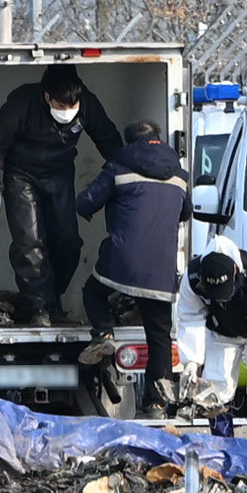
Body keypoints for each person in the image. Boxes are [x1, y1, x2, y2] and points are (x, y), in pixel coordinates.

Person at [0, 65, 123, 326]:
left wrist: (126, 173)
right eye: (60, 105)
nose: (66, 112)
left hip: (59, 174)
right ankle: (40, 309)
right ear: (47, 97)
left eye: (72, 106)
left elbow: (109, 139)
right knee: (29, 243)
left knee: (68, 242)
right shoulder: (21, 103)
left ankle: (49, 299)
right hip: (20, 175)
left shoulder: (87, 104)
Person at [74, 120, 191, 418]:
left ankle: (104, 334)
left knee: (93, 292)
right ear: (159, 139)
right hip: (161, 272)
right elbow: (186, 213)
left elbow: (85, 203)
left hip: (121, 262)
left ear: (129, 144)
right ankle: (157, 403)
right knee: (159, 337)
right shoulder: (180, 175)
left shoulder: (118, 167)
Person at [176, 235, 247, 444]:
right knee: (216, 388)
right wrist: (191, 361)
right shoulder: (191, 277)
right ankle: (224, 449)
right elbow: (189, 316)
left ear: (235, 272)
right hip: (220, 332)